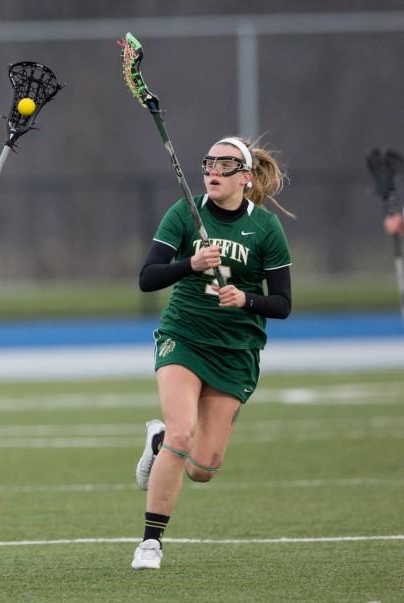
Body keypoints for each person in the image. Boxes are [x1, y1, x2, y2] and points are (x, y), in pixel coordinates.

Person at [131, 137, 293, 570]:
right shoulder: (185, 212)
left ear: (245, 176)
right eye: (209, 163)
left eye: (226, 164)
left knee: (202, 467)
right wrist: (192, 264)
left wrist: (246, 300)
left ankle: (158, 440)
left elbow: (282, 304)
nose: (214, 171)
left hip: (236, 350)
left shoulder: (265, 229)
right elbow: (147, 278)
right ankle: (150, 542)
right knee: (183, 433)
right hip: (184, 336)